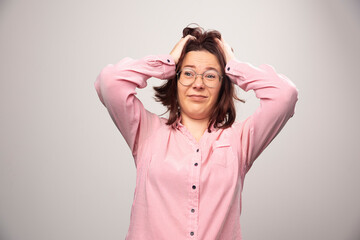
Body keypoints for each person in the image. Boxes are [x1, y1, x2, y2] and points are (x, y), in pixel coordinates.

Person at [94, 25, 299, 240]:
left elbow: (285, 95)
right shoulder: (146, 131)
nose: (198, 84)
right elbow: (109, 82)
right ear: (175, 80)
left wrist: (233, 65)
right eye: (188, 73)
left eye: (210, 76)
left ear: (223, 85)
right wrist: (167, 62)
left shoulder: (240, 139)